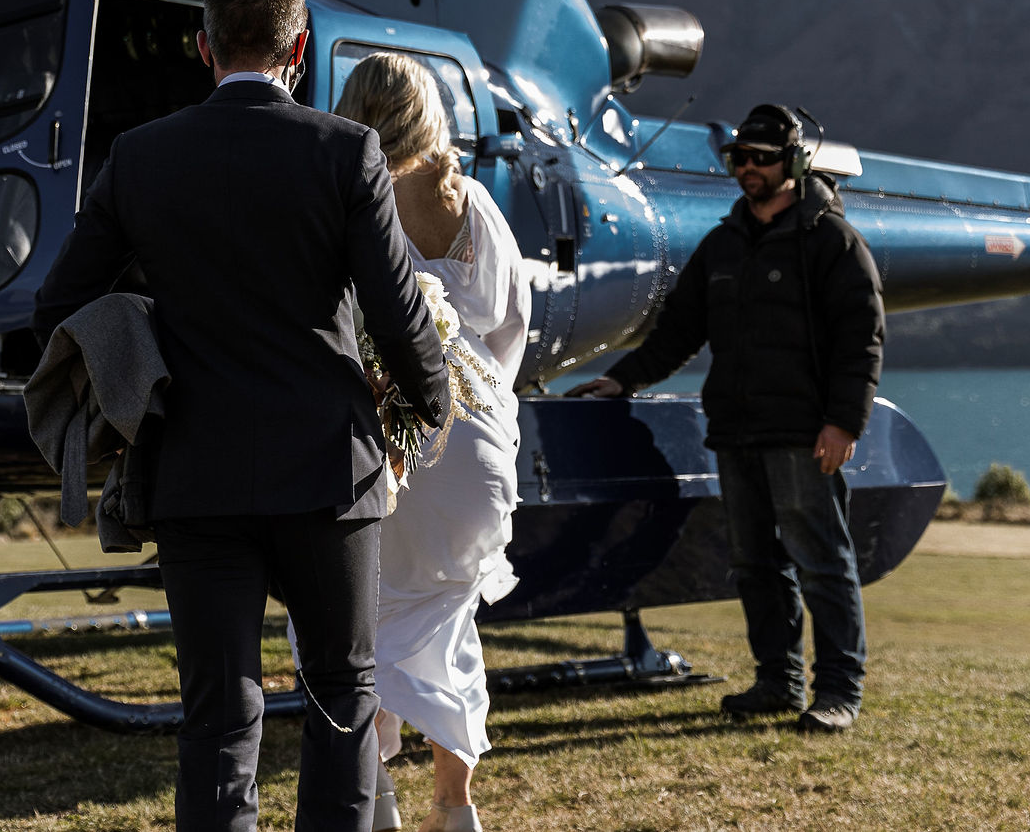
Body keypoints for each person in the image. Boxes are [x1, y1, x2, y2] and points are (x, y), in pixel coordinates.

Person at [33, 0, 449, 832]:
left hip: (195, 473)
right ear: (300, 45)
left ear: (203, 45)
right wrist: (431, 402)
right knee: (341, 695)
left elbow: (61, 305)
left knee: (218, 717)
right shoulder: (346, 150)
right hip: (329, 473)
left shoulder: (141, 157)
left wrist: (149, 341)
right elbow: (398, 309)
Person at [574, 104, 883, 734]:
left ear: (792, 164)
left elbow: (863, 339)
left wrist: (843, 423)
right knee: (755, 565)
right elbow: (679, 331)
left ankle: (838, 694)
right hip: (736, 433)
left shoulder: (832, 242)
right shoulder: (723, 244)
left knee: (822, 561)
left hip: (805, 434)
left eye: (761, 159)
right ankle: (777, 682)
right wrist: (624, 378)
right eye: (739, 158)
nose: (747, 169)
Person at [332, 54, 529, 832]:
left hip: (374, 440)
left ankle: (377, 800)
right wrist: (476, 405)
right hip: (471, 440)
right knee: (451, 626)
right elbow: (511, 327)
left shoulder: (343, 199)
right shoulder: (473, 203)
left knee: (357, 626)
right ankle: (456, 809)